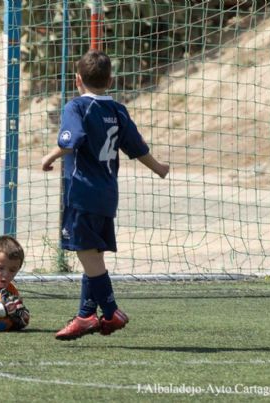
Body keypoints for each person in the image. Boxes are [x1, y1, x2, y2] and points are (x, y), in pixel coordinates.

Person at [41, 49, 169, 340]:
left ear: (77, 79)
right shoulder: (118, 110)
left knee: (88, 256)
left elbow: (71, 140)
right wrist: (159, 168)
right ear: (110, 80)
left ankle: (111, 312)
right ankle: (85, 315)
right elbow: (137, 148)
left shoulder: (76, 107)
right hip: (107, 195)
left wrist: (48, 157)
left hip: (82, 193)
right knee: (93, 256)